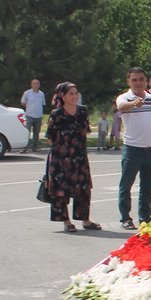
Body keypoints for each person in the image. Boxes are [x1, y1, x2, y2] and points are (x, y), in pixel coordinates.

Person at [116, 67, 151, 229]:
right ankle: (126, 218)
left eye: (141, 79)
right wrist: (133, 103)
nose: (138, 82)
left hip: (150, 150)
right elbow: (122, 107)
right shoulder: (124, 97)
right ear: (128, 82)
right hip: (132, 149)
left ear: (145, 81)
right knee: (126, 185)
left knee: (147, 187)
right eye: (134, 80)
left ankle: (145, 217)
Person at [45, 82, 99, 232]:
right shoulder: (57, 113)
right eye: (71, 94)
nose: (74, 96)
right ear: (62, 96)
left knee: (84, 187)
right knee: (62, 189)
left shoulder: (83, 111)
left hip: (80, 156)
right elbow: (49, 137)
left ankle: (85, 220)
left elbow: (86, 130)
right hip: (60, 158)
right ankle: (66, 221)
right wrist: (61, 150)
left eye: (76, 93)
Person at [20, 78, 47, 152]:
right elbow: (23, 102)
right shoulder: (27, 93)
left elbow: (43, 103)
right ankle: (24, 148)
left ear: (39, 85)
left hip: (38, 116)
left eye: (37, 83)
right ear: (31, 85)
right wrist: (29, 107)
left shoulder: (41, 94)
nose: (36, 85)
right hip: (29, 115)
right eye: (34, 83)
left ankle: (35, 147)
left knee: (36, 133)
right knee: (27, 132)